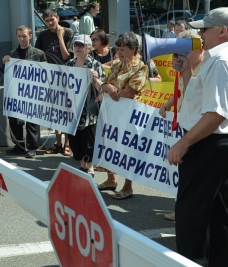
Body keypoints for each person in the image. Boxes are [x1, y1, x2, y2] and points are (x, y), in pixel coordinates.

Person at [168, 8, 228, 267]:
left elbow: (216, 114)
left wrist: (183, 144)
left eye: (205, 29)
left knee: (192, 214)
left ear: (222, 31)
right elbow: (197, 100)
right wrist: (188, 69)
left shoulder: (222, 61)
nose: (200, 34)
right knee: (213, 213)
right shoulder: (216, 59)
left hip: (210, 144)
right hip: (214, 143)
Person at [156, 28, 204, 222]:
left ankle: (190, 214)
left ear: (200, 50)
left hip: (199, 130)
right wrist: (167, 104)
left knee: (194, 176)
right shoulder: (187, 68)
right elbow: (180, 92)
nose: (180, 56)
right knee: (185, 174)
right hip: (187, 125)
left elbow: (195, 97)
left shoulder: (204, 69)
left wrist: (185, 71)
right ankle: (183, 211)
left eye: (185, 52)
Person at [96, 31, 149, 200]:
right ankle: (111, 179)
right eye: (118, 49)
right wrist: (107, 87)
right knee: (110, 144)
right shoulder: (117, 64)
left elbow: (132, 91)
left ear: (133, 49)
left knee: (128, 149)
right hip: (112, 111)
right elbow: (105, 83)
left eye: (123, 49)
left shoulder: (141, 67)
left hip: (130, 114)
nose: (119, 53)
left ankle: (128, 186)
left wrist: (112, 90)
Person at [3, 24, 46, 158]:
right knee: (14, 121)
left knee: (32, 121)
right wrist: (4, 61)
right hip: (16, 93)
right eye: (19, 36)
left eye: (24, 36)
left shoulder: (39, 54)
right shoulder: (12, 54)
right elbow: (6, 73)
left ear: (30, 36)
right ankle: (19, 146)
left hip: (32, 92)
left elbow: (46, 73)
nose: (22, 39)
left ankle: (33, 147)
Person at [36, 9, 74, 156]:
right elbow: (37, 54)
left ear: (57, 18)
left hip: (65, 76)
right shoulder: (43, 35)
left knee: (66, 111)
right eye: (47, 21)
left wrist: (60, 36)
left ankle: (67, 144)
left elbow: (66, 56)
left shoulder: (68, 32)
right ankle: (58, 143)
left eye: (52, 19)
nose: (50, 23)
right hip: (50, 78)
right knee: (55, 112)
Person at [66, 34, 104, 175]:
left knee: (89, 142)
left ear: (89, 48)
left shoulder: (96, 65)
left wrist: (96, 80)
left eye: (81, 45)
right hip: (73, 111)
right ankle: (83, 166)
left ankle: (89, 168)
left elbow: (103, 89)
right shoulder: (69, 64)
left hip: (88, 113)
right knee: (76, 142)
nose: (78, 47)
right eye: (76, 44)